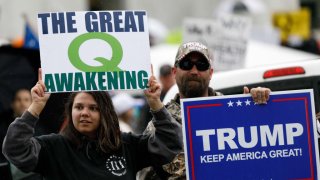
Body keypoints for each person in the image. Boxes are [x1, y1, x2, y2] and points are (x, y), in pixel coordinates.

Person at [2, 69, 182, 180]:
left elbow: (172, 144)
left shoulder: (126, 145)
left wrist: (156, 104)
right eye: (78, 107)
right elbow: (14, 149)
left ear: (106, 114)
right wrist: (35, 106)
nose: (84, 113)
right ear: (70, 111)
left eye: (93, 108)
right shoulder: (53, 147)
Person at [138, 41, 271, 179]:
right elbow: (144, 175)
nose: (194, 71)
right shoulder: (159, 125)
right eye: (186, 64)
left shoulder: (233, 111)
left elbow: (261, 158)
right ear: (174, 72)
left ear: (211, 72)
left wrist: (260, 108)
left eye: (202, 65)